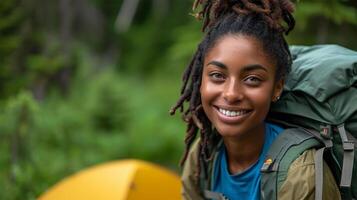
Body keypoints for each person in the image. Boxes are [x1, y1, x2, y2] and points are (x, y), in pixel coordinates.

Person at [170, 0, 341, 199]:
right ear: (201, 80)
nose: (231, 94)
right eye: (217, 75)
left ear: (277, 87)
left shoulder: (300, 174)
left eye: (252, 79)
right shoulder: (204, 156)